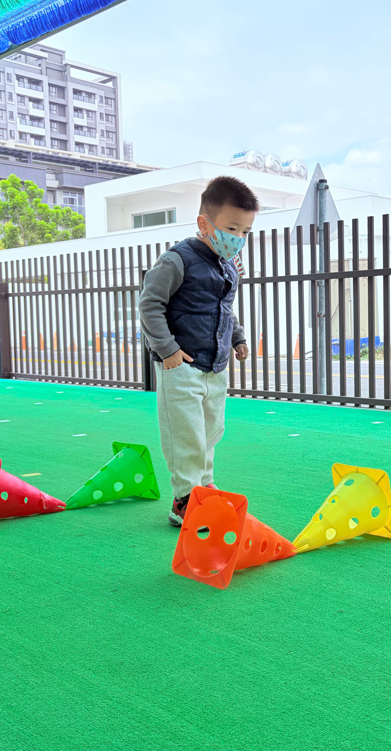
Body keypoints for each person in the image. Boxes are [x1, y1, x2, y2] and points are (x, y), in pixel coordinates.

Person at [139, 176, 257, 526]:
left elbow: (224, 309)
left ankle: (204, 487)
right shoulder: (177, 260)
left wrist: (237, 338)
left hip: (214, 365)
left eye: (245, 231)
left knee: (210, 430)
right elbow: (150, 305)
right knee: (186, 433)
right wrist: (168, 350)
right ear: (205, 224)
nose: (238, 237)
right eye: (231, 228)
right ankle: (184, 499)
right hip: (181, 364)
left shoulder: (228, 266)